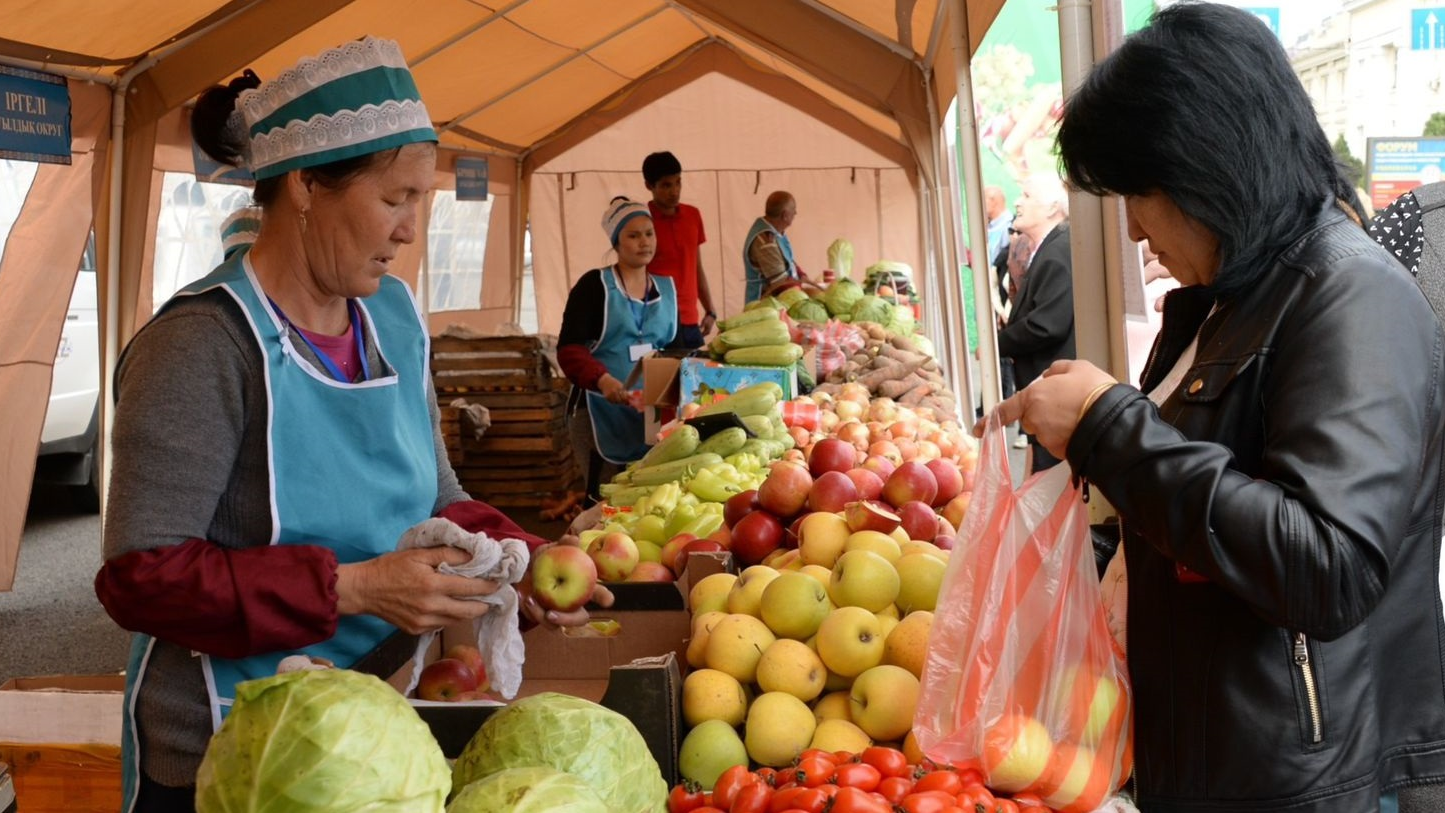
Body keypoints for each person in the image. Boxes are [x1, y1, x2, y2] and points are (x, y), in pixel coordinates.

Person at [93, 39, 610, 812]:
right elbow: (141, 577)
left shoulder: (393, 316)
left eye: (419, 203)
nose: (409, 230)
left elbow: (437, 490)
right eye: (395, 199)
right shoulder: (201, 345)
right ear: (305, 186)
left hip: (376, 725)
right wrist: (358, 587)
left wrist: (524, 555)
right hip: (238, 750)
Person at [986, 5, 1445, 811]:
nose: (1131, 229)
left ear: (1207, 164)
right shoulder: (1227, 299)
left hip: (1310, 780)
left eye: (1140, 192)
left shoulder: (1348, 297)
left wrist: (1107, 426)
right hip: (1221, 759)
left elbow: (1328, 565)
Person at [557, 197, 678, 503]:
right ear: (616, 242)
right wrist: (603, 380)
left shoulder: (666, 289)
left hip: (652, 411)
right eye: (633, 235)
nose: (643, 242)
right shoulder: (594, 286)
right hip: (599, 410)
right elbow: (570, 350)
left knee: (649, 499)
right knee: (606, 499)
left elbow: (676, 349)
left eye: (649, 233)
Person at [995, 173, 1074, 469]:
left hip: (1053, 390)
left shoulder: (1060, 249)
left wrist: (995, 344)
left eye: (1027, 196)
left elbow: (1047, 325)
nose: (1018, 202)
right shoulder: (1051, 246)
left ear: (1052, 208)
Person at [642, 151, 717, 349]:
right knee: (665, 379)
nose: (675, 191)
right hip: (657, 322)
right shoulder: (641, 221)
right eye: (666, 185)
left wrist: (710, 311)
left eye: (678, 182)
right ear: (649, 186)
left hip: (691, 320)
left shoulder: (693, 215)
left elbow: (696, 267)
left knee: (697, 376)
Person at [742, 190, 817, 303]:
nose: (795, 213)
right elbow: (781, 282)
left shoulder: (776, 231)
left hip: (780, 300)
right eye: (793, 210)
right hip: (763, 306)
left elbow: (787, 260)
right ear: (785, 215)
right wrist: (807, 295)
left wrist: (800, 274)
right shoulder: (765, 241)